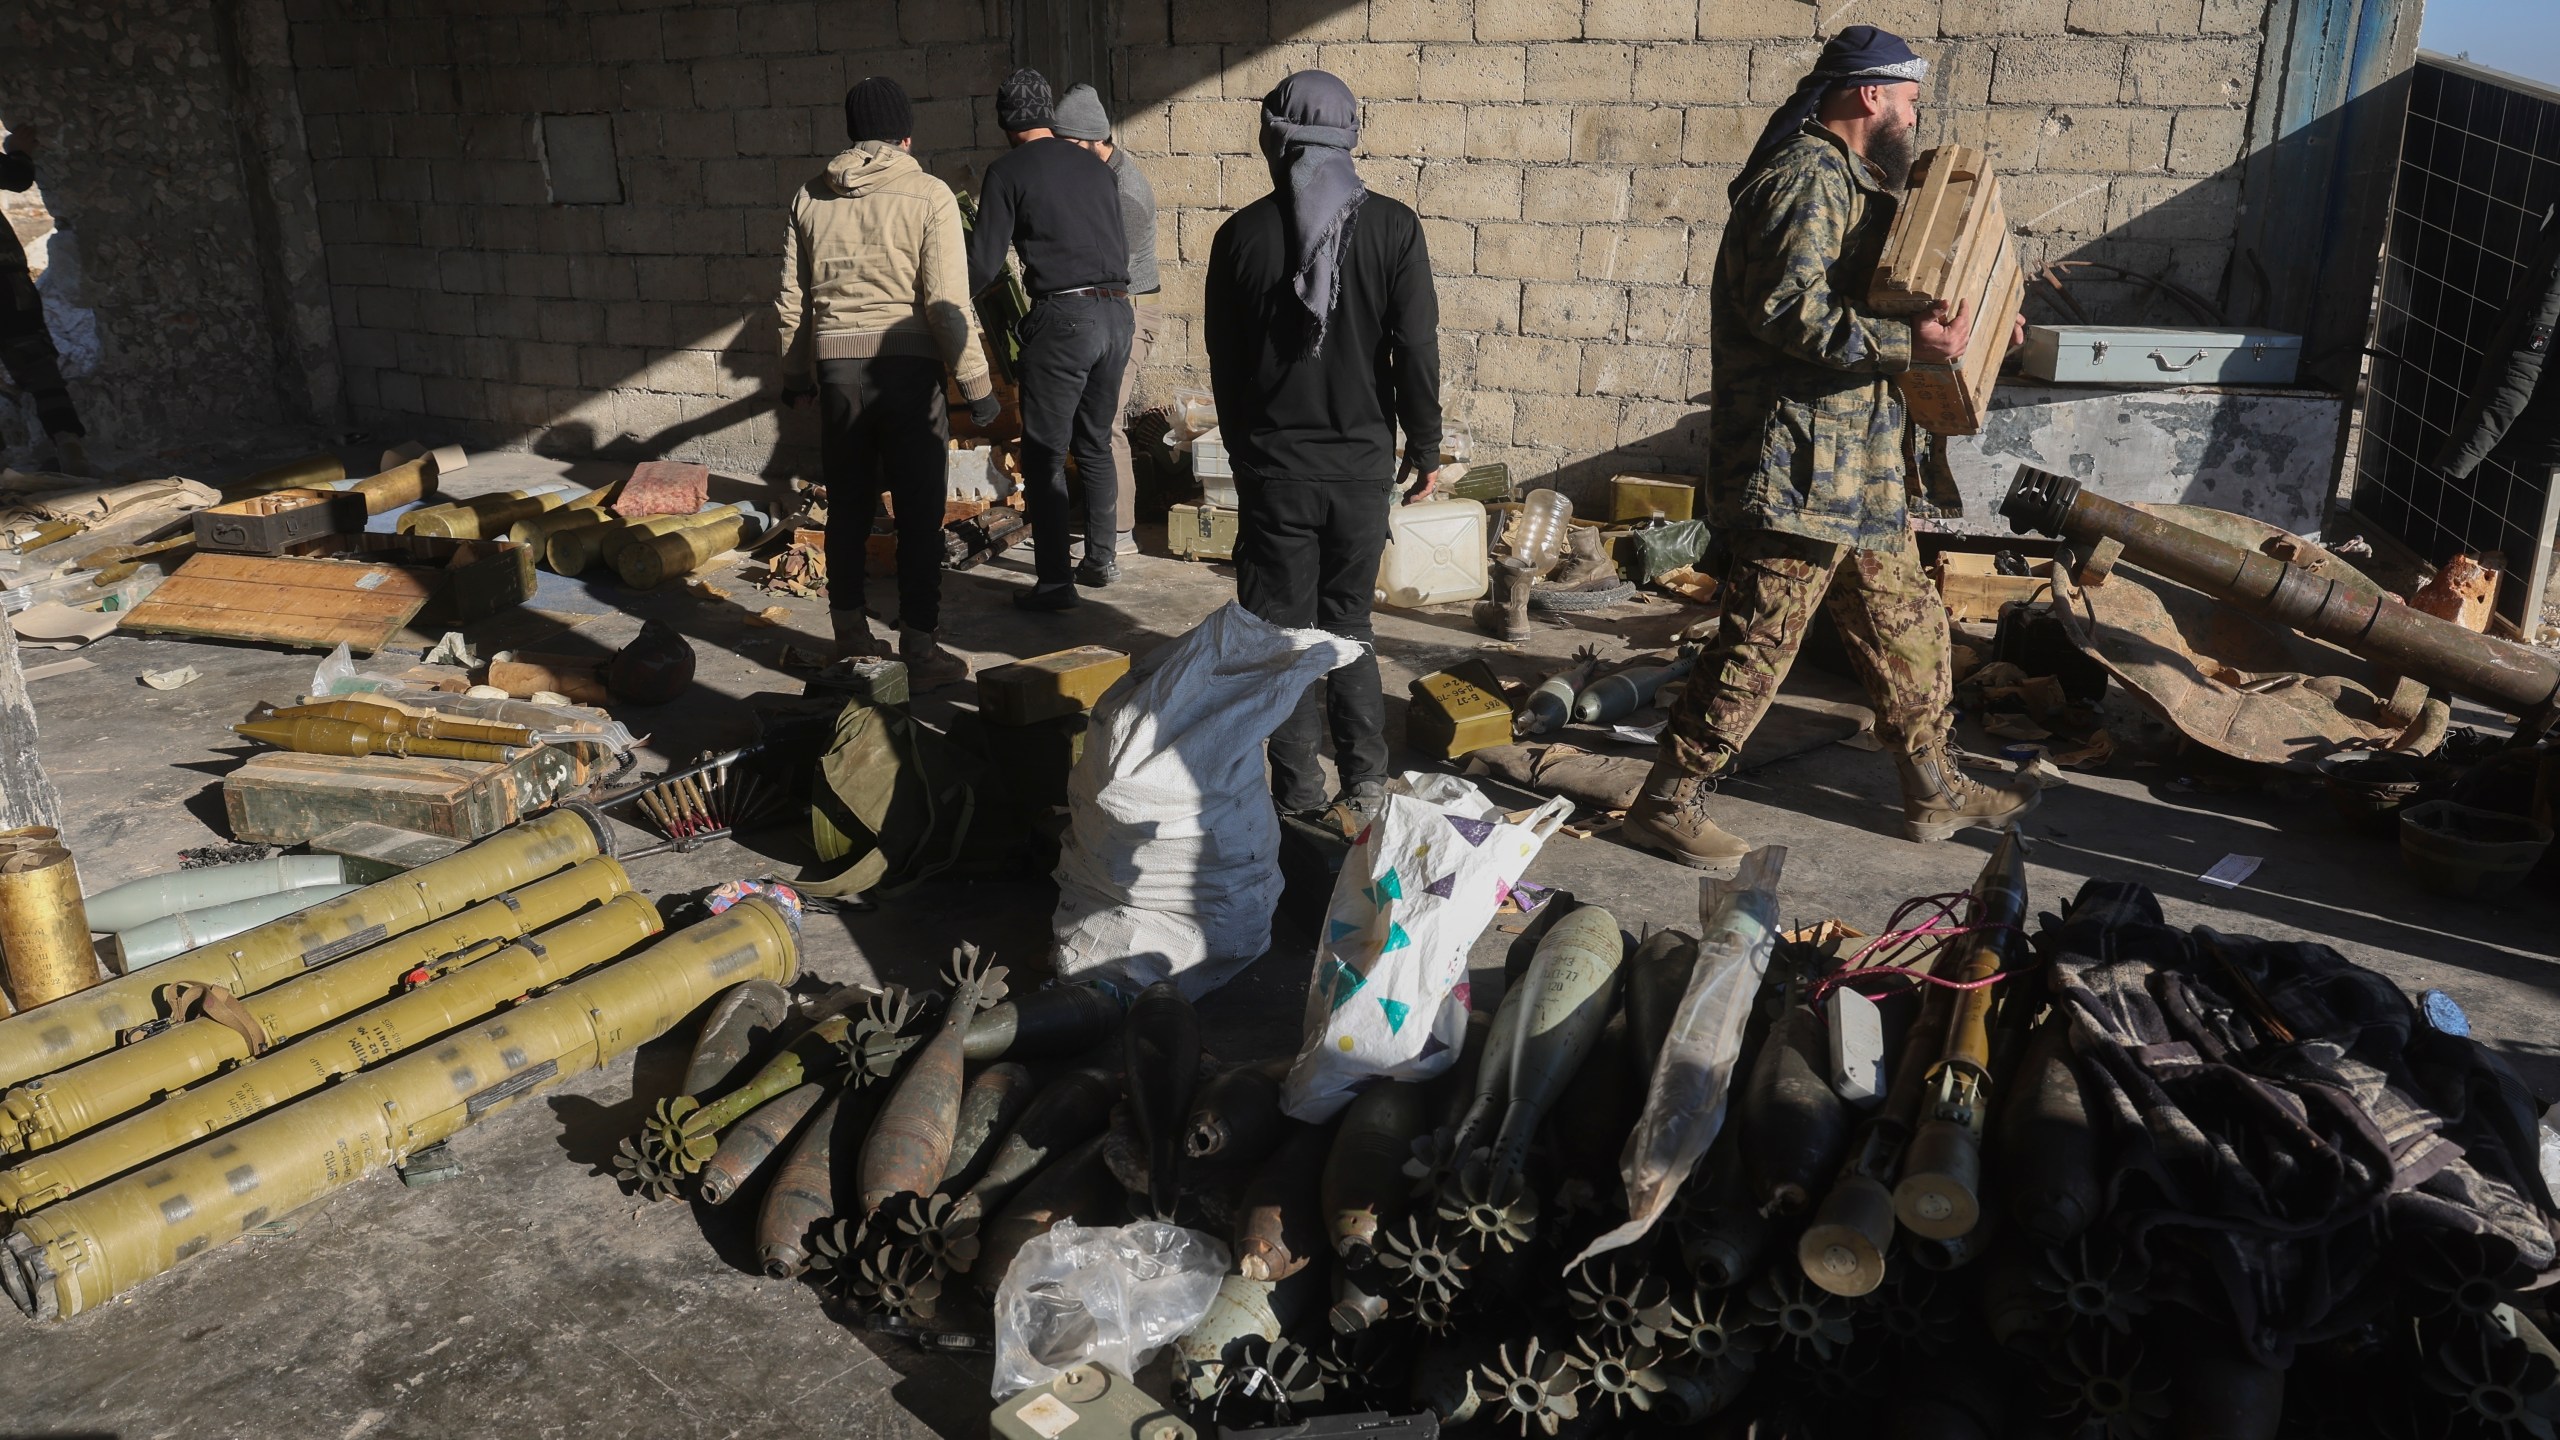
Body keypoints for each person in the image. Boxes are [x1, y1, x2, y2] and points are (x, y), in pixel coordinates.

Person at [1622, 25, 2036, 870]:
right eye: (1909, 99)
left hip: (1861, 465)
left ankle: (1933, 789)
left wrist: (1981, 327)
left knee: (1907, 624)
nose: (1915, 115)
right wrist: (1908, 345)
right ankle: (1666, 801)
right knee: (1761, 637)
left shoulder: (1854, 183)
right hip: (1800, 465)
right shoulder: (1804, 178)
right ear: (1870, 94)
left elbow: (1893, 295)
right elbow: (1784, 310)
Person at [1206, 70, 1458, 833]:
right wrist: (1427, 444)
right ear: (1349, 131)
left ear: (1276, 135)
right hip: (1357, 473)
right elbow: (1415, 349)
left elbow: (1227, 367)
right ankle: (1368, 785)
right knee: (1347, 627)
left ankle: (1299, 799)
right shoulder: (1392, 227)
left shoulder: (1240, 236)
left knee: (1283, 640)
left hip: (1275, 474)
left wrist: (1250, 457)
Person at [774, 76, 995, 688]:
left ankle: (850, 641)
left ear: (852, 134)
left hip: (839, 377)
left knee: (846, 509)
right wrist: (976, 386)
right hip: (908, 375)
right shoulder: (930, 196)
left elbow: (792, 303)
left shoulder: (809, 198)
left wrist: (796, 376)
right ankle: (920, 653)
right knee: (919, 517)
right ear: (905, 135)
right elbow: (948, 302)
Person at [968, 68, 1134, 610]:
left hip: (1064, 321)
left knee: (1043, 454)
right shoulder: (1097, 166)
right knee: (1095, 441)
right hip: (1117, 314)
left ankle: (1056, 586)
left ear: (1005, 121)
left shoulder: (1006, 171)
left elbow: (984, 265)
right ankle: (1101, 559)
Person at [1052, 83, 1157, 562]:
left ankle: (1119, 534)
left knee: (1107, 419)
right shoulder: (1093, 175)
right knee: (1089, 419)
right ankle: (1097, 522)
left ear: (1094, 140)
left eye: (1069, 147)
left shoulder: (1126, 191)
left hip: (1130, 309)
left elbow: (1114, 263)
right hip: (1105, 307)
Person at [0, 129, 88, 476]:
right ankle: (68, 441)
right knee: (37, 364)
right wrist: (18, 151)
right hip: (6, 277)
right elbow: (17, 178)